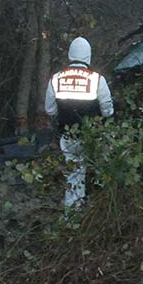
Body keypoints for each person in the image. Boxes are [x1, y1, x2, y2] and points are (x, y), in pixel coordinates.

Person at [44, 37, 113, 208]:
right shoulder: (97, 80)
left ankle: (73, 215)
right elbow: (108, 111)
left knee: (74, 175)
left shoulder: (56, 79)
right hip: (94, 137)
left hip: (69, 137)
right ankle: (101, 210)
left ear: (70, 55)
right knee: (101, 171)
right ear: (88, 56)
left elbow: (50, 110)